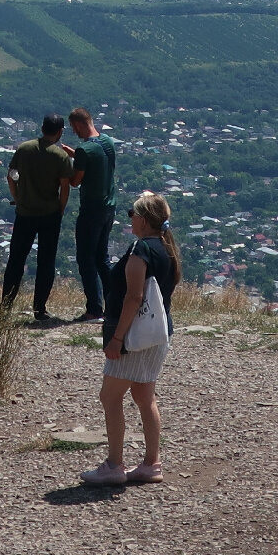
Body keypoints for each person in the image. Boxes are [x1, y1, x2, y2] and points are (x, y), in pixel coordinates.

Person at [82, 190, 181, 487]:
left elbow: (133, 297)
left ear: (143, 219)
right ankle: (152, 463)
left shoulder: (141, 250)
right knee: (144, 396)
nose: (130, 219)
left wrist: (117, 339)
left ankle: (114, 465)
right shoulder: (167, 249)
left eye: (132, 214)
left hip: (133, 337)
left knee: (110, 396)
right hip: (158, 335)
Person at [1, 113, 76, 325]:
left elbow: (11, 176)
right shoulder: (60, 156)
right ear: (60, 132)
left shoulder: (24, 148)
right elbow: (65, 187)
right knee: (46, 262)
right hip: (49, 214)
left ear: (42, 128)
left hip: (24, 213)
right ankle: (39, 309)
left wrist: (18, 198)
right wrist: (60, 209)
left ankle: (5, 305)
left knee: (16, 260)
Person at [66, 107, 120, 322]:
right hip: (109, 207)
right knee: (102, 258)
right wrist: (74, 154)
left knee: (86, 259)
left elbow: (75, 181)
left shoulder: (85, 150)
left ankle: (94, 309)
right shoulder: (108, 142)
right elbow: (96, 161)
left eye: (73, 128)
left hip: (91, 209)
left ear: (79, 124)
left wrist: (68, 164)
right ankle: (114, 304)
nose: (74, 132)